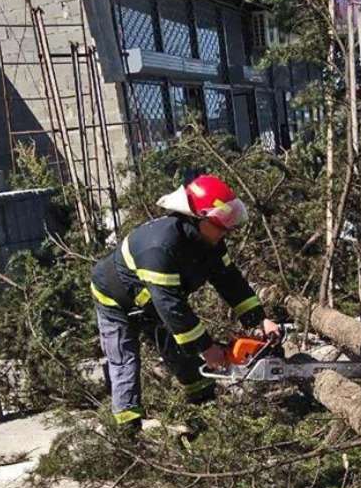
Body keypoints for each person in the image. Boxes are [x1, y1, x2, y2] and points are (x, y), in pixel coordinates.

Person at [90, 174, 281, 429]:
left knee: (183, 354)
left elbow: (229, 280)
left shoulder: (209, 241)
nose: (227, 228)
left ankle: (204, 410)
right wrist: (206, 347)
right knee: (125, 361)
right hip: (115, 299)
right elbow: (172, 306)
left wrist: (259, 319)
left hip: (154, 300)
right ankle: (128, 432)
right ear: (197, 217)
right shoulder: (160, 248)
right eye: (221, 221)